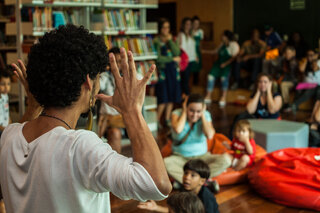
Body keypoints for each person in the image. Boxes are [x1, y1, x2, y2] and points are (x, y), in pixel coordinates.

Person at [0, 25, 171, 213]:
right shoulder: (79, 147)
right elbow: (158, 184)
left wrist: (34, 106)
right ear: (88, 82)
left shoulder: (9, 137)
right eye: (98, 77)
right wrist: (132, 111)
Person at [164, 94, 231, 184]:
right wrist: (184, 111)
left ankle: (187, 183)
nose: (195, 115)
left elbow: (210, 135)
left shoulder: (205, 115)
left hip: (202, 158)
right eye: (191, 110)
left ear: (203, 109)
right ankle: (201, 183)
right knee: (165, 163)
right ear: (186, 106)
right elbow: (178, 129)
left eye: (198, 111)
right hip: (180, 158)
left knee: (226, 160)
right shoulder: (176, 113)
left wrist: (202, 115)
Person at [138, 159, 220, 213]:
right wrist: (156, 208)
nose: (186, 177)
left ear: (202, 181)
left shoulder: (207, 197)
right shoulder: (184, 190)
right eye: (186, 173)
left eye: (193, 175)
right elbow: (175, 210)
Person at [154, 18, 181, 128]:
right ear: (160, 28)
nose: (166, 30)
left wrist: (170, 41)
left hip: (173, 71)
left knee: (171, 97)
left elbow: (177, 52)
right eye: (164, 27)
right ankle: (156, 120)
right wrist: (172, 59)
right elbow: (158, 58)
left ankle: (167, 119)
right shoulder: (156, 41)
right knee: (163, 98)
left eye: (168, 27)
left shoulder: (172, 39)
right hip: (163, 72)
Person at [98, 47, 124, 153]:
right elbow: (99, 85)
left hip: (122, 119)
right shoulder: (105, 76)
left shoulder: (127, 78)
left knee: (115, 132)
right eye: (113, 62)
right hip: (107, 119)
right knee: (113, 132)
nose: (117, 65)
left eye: (119, 62)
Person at [204, 30, 240, 106]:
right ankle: (208, 95)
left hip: (227, 65)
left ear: (226, 37)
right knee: (210, 76)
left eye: (223, 35)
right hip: (218, 64)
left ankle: (223, 97)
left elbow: (235, 57)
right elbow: (215, 51)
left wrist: (225, 64)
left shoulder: (234, 45)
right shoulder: (222, 44)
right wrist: (205, 51)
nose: (221, 37)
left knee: (224, 78)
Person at [178, 17, 197, 97]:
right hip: (184, 60)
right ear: (183, 25)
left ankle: (186, 96)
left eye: (190, 24)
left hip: (191, 59)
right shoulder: (181, 34)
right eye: (187, 24)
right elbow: (180, 48)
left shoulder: (191, 35)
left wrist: (195, 56)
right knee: (184, 79)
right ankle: (187, 96)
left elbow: (192, 47)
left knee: (188, 79)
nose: (189, 26)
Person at [192, 16, 204, 85]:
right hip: (191, 51)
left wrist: (200, 51)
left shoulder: (200, 31)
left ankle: (196, 84)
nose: (196, 25)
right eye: (195, 23)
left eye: (197, 23)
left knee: (197, 68)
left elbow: (201, 42)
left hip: (197, 51)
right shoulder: (190, 31)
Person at [0, 69, 11, 137]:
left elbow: (6, 112)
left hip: (5, 128)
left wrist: (10, 124)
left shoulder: (5, 96)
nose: (6, 87)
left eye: (8, 84)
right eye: (2, 84)